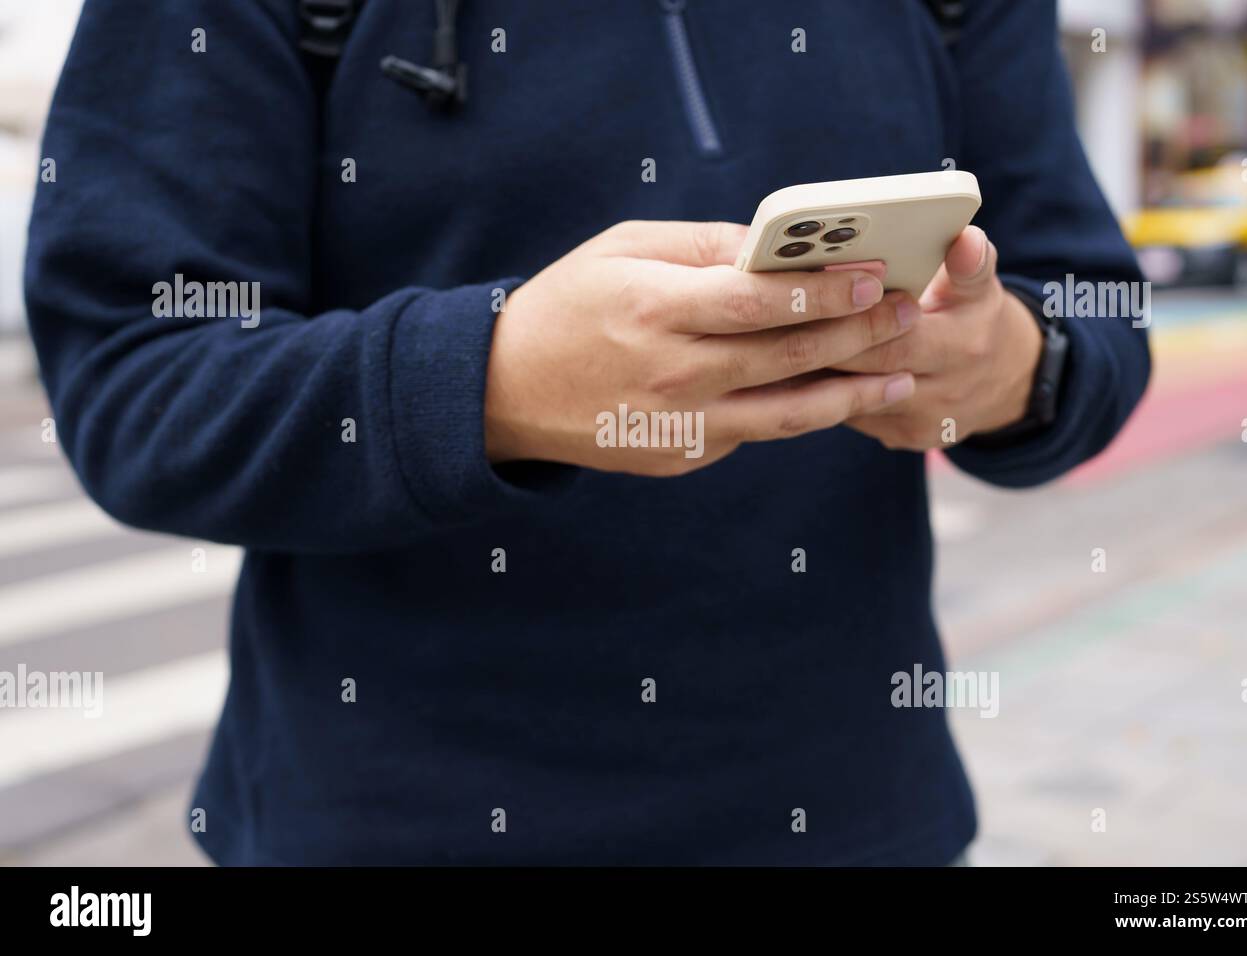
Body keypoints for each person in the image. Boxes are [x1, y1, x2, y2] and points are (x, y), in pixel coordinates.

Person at [25, 0, 1149, 865]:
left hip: (863, 825)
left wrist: (1010, 364)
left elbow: (1095, 308)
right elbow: (132, 372)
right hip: (390, 834)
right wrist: (491, 379)